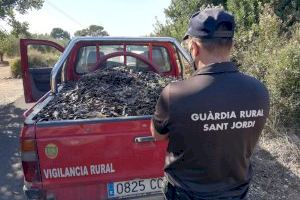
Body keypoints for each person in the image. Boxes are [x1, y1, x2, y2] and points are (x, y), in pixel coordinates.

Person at [151, 7, 270, 200]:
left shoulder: (175, 93)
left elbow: (157, 135)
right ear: (231, 46)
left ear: (194, 48)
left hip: (186, 194)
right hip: (236, 193)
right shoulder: (259, 90)